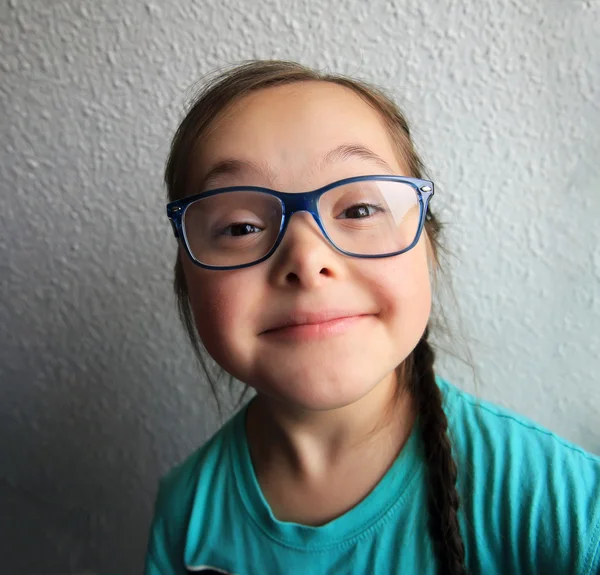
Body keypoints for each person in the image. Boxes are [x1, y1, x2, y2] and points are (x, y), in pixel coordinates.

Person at [144, 60, 600, 575]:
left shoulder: (562, 507)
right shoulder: (186, 517)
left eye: (359, 210)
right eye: (242, 226)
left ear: (429, 245)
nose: (307, 260)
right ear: (186, 275)